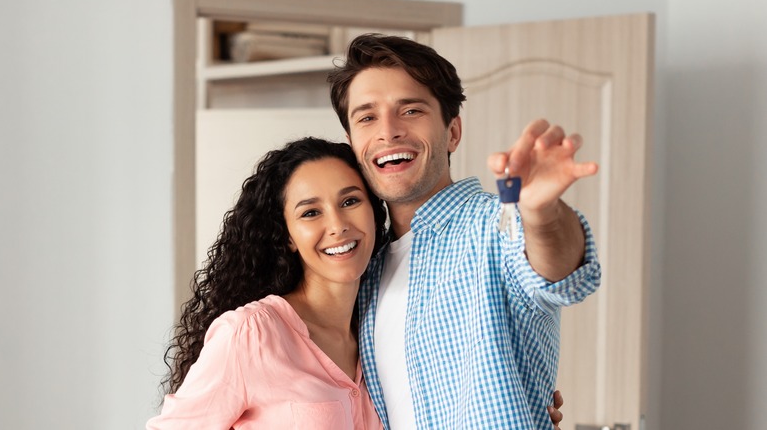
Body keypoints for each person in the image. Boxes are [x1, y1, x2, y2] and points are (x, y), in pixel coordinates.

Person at [327, 34, 601, 429]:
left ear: (452, 132)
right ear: (353, 144)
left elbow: (559, 272)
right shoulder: (360, 269)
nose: (388, 132)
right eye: (367, 117)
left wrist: (541, 212)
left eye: (411, 110)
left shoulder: (495, 226)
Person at [147, 137, 388, 429]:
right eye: (310, 213)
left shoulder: (382, 332)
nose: (338, 226)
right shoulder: (251, 334)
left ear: (374, 213)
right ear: (287, 236)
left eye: (350, 201)